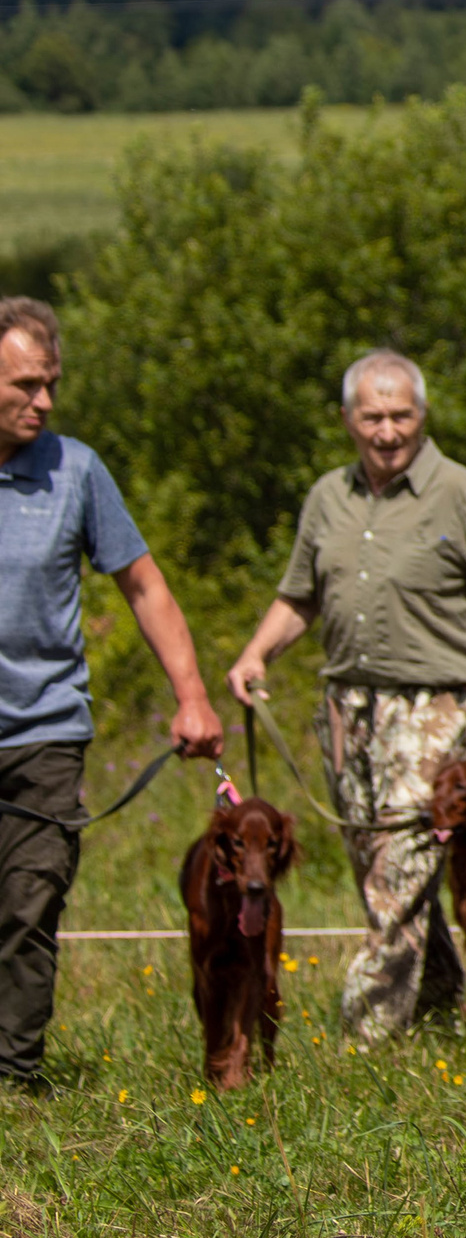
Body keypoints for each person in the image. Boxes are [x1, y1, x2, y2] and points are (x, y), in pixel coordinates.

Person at [226, 350, 466, 1044]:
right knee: (380, 869)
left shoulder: (465, 492)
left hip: (435, 704)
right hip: (346, 709)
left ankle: (365, 1038)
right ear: (347, 419)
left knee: (400, 869)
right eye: (372, 417)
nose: (387, 431)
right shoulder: (327, 496)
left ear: (422, 415)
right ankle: (442, 1010)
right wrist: (254, 653)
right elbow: (299, 596)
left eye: (401, 415)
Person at [0, 296, 224, 1093]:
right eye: (26, 384)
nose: (45, 400)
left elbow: (144, 585)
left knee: (29, 904)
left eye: (51, 383)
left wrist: (192, 696)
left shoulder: (75, 470)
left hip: (45, 732)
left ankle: (14, 1079)